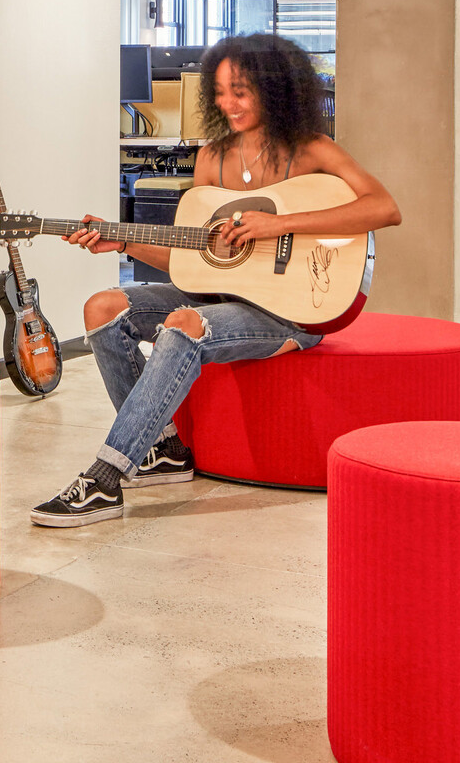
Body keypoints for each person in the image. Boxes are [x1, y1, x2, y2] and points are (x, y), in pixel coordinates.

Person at [30, 33, 401, 527]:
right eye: (221, 91)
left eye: (241, 90)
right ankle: (162, 451)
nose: (228, 102)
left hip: (289, 312)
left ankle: (106, 477)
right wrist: (123, 243)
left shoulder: (312, 149)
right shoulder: (211, 158)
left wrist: (278, 223)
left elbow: (384, 208)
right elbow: (194, 261)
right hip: (221, 297)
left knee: (185, 323)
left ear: (275, 89)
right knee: (103, 306)